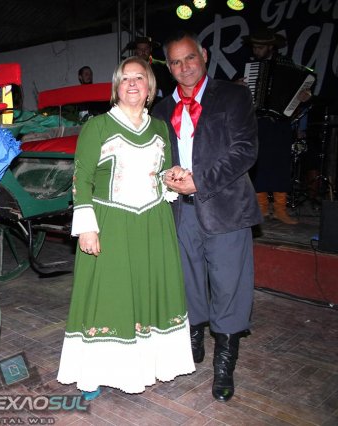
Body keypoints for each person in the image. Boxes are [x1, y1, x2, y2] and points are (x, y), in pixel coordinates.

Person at [57, 56, 195, 399]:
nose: (132, 83)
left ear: (149, 88)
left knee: (149, 290)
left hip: (153, 223)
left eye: (139, 78)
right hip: (111, 223)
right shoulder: (97, 127)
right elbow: (82, 179)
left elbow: (161, 172)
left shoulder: (160, 127)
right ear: (116, 87)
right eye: (125, 78)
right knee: (108, 296)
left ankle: (149, 365)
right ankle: (94, 372)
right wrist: (86, 228)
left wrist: (173, 176)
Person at [152, 31, 262, 402]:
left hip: (225, 206)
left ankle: (224, 363)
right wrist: (167, 175)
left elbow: (245, 151)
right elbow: (157, 158)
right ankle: (193, 338)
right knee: (187, 281)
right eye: (176, 62)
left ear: (203, 55)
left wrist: (200, 181)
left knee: (230, 286)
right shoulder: (161, 110)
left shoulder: (233, 96)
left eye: (190, 58)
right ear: (169, 67)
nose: (184, 67)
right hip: (179, 210)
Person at [240, 28, 312, 224]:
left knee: (281, 164)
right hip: (258, 121)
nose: (256, 50)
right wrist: (239, 85)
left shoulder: (287, 64)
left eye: (260, 47)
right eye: (254, 47)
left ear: (270, 47)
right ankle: (262, 207)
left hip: (281, 121)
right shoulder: (250, 67)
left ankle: (280, 209)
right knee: (259, 163)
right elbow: (235, 88)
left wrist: (306, 95)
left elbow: (305, 87)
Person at [124, 36, 175, 106]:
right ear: (135, 51)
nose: (143, 51)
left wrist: (157, 92)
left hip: (157, 106)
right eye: (140, 49)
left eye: (146, 48)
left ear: (150, 49)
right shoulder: (128, 69)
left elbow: (168, 90)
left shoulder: (160, 69)